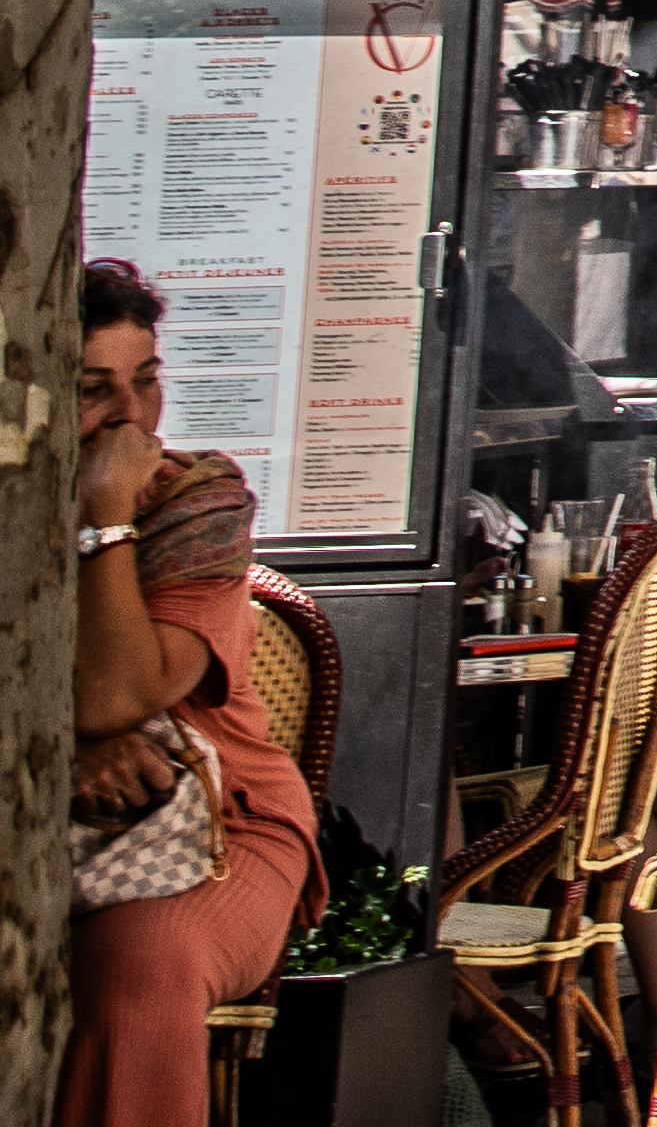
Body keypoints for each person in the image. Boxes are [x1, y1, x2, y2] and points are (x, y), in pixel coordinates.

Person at [68, 267, 318, 1127]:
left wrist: (104, 509)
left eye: (146, 381)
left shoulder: (195, 499)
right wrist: (63, 755)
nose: (132, 417)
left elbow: (119, 695)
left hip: (223, 830)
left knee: (141, 958)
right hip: (60, 821)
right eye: (93, 391)